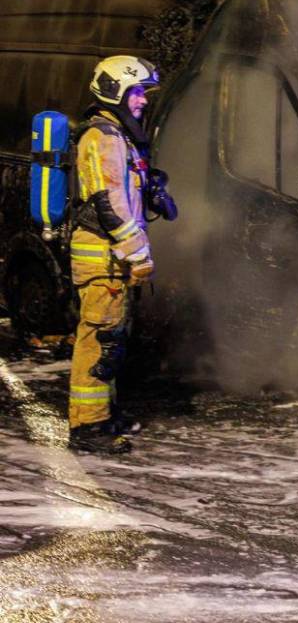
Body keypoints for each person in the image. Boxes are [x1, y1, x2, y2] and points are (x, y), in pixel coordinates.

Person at [67, 56, 161, 454]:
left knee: (112, 341)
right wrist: (137, 253)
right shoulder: (102, 136)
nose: (141, 100)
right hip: (103, 259)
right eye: (136, 91)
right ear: (115, 91)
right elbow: (109, 204)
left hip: (113, 258)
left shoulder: (118, 135)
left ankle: (103, 413)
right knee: (98, 340)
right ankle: (87, 427)